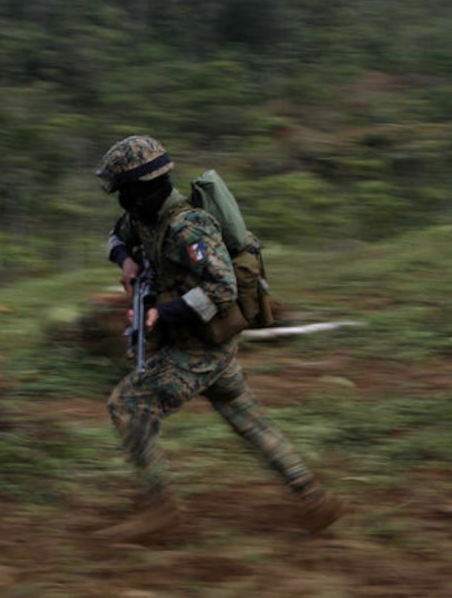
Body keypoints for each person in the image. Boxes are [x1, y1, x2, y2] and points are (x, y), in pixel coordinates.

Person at [95, 134, 344, 541]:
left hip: (203, 345)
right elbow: (116, 237)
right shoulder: (145, 217)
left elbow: (222, 288)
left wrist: (162, 312)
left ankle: (162, 512)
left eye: (122, 188)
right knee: (247, 418)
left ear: (139, 188)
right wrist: (125, 261)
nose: (119, 198)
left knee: (126, 406)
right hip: (198, 343)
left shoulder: (188, 227)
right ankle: (313, 497)